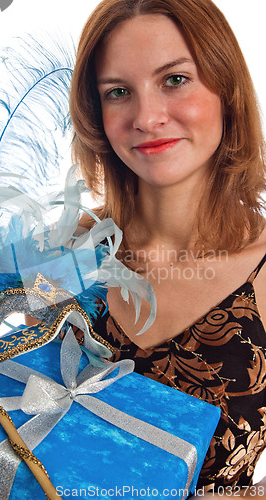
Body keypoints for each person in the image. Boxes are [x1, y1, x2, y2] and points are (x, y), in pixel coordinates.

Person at [68, 0, 266, 496]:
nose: (147, 117)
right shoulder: (74, 244)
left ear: (227, 90)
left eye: (174, 79)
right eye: (118, 92)